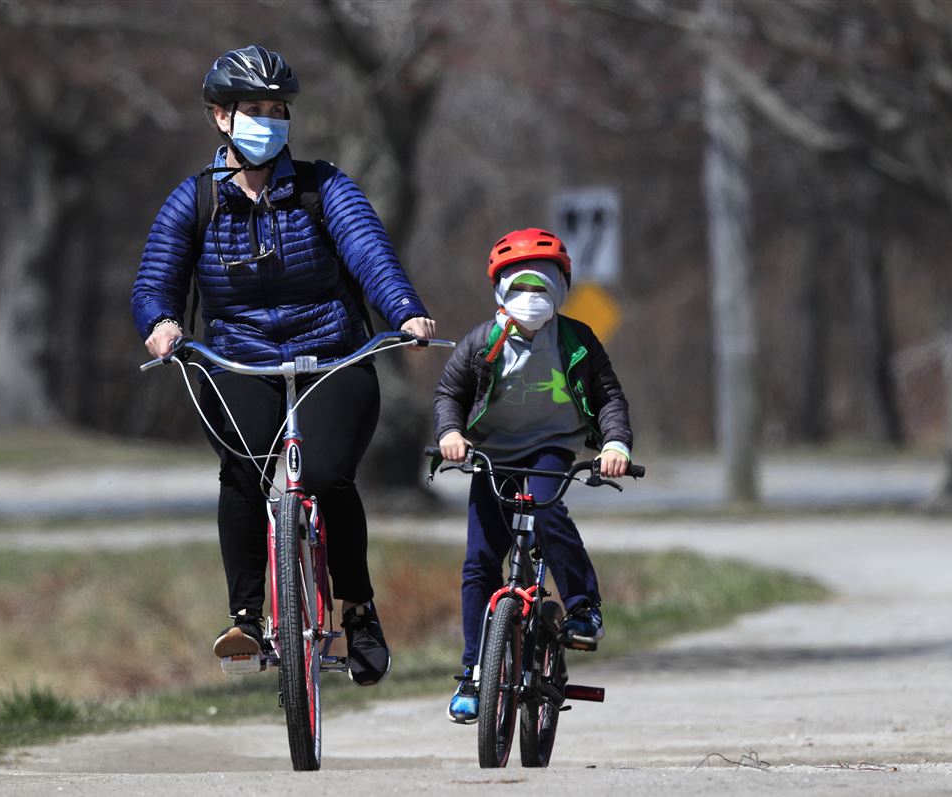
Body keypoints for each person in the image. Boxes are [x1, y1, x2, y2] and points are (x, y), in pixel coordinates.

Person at [131, 44, 435, 687]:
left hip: (333, 355)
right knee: (242, 473)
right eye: (253, 110)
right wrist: (160, 324)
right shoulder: (194, 202)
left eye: (278, 109)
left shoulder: (326, 188)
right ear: (220, 117)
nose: (268, 121)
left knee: (326, 476)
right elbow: (155, 282)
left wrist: (404, 312)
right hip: (236, 361)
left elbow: (369, 254)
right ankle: (245, 616)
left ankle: (358, 612)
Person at [432, 227, 632, 722]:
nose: (531, 298)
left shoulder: (577, 341)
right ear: (499, 290)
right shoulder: (482, 343)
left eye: (542, 286)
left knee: (545, 512)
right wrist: (450, 434)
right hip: (493, 454)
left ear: (562, 289)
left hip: (551, 448)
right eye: (520, 287)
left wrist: (614, 443)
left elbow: (608, 397)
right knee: (480, 561)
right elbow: (448, 395)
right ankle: (476, 674)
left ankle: (583, 607)